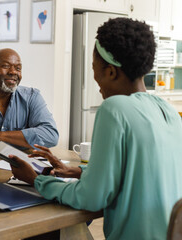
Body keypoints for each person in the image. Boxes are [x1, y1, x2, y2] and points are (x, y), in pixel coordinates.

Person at [10, 18, 182, 240]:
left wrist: (36, 180)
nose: (95, 79)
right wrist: (82, 173)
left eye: (95, 69)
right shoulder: (167, 110)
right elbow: (143, 175)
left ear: (110, 72)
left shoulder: (114, 108)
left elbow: (92, 198)